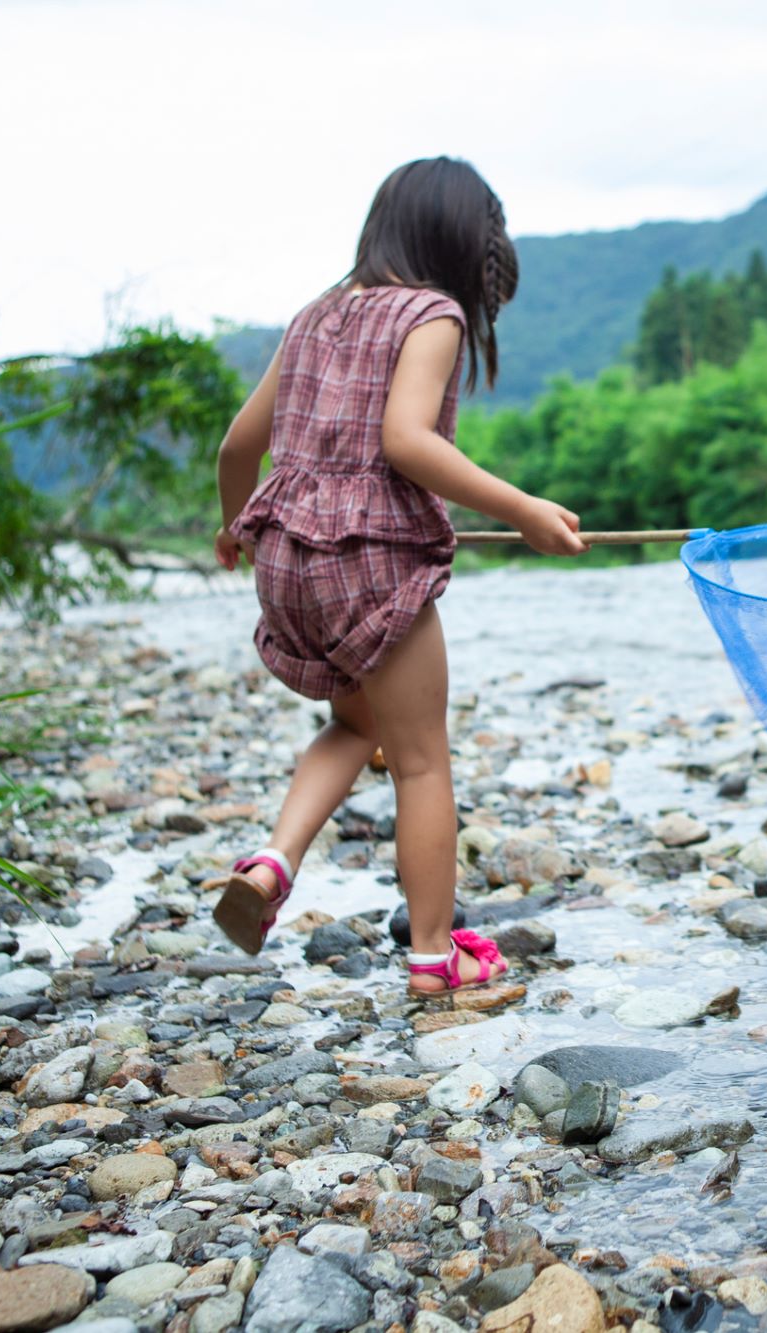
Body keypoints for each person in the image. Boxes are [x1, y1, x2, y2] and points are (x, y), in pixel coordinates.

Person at [211, 156, 588, 995]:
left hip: (289, 561)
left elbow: (240, 446)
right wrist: (521, 508)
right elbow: (407, 441)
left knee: (355, 726)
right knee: (420, 762)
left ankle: (273, 862)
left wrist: (236, 527)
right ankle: (432, 956)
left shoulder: (315, 314)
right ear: (459, 240)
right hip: (371, 559)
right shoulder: (433, 314)